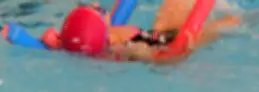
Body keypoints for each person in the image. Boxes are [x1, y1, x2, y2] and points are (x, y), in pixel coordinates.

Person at [42, 0, 241, 63]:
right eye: (99, 10)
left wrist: (56, 43)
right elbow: (162, 57)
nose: (96, 3)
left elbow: (75, 44)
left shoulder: (95, 49)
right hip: (176, 43)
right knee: (234, 21)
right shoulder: (121, 46)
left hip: (158, 36)